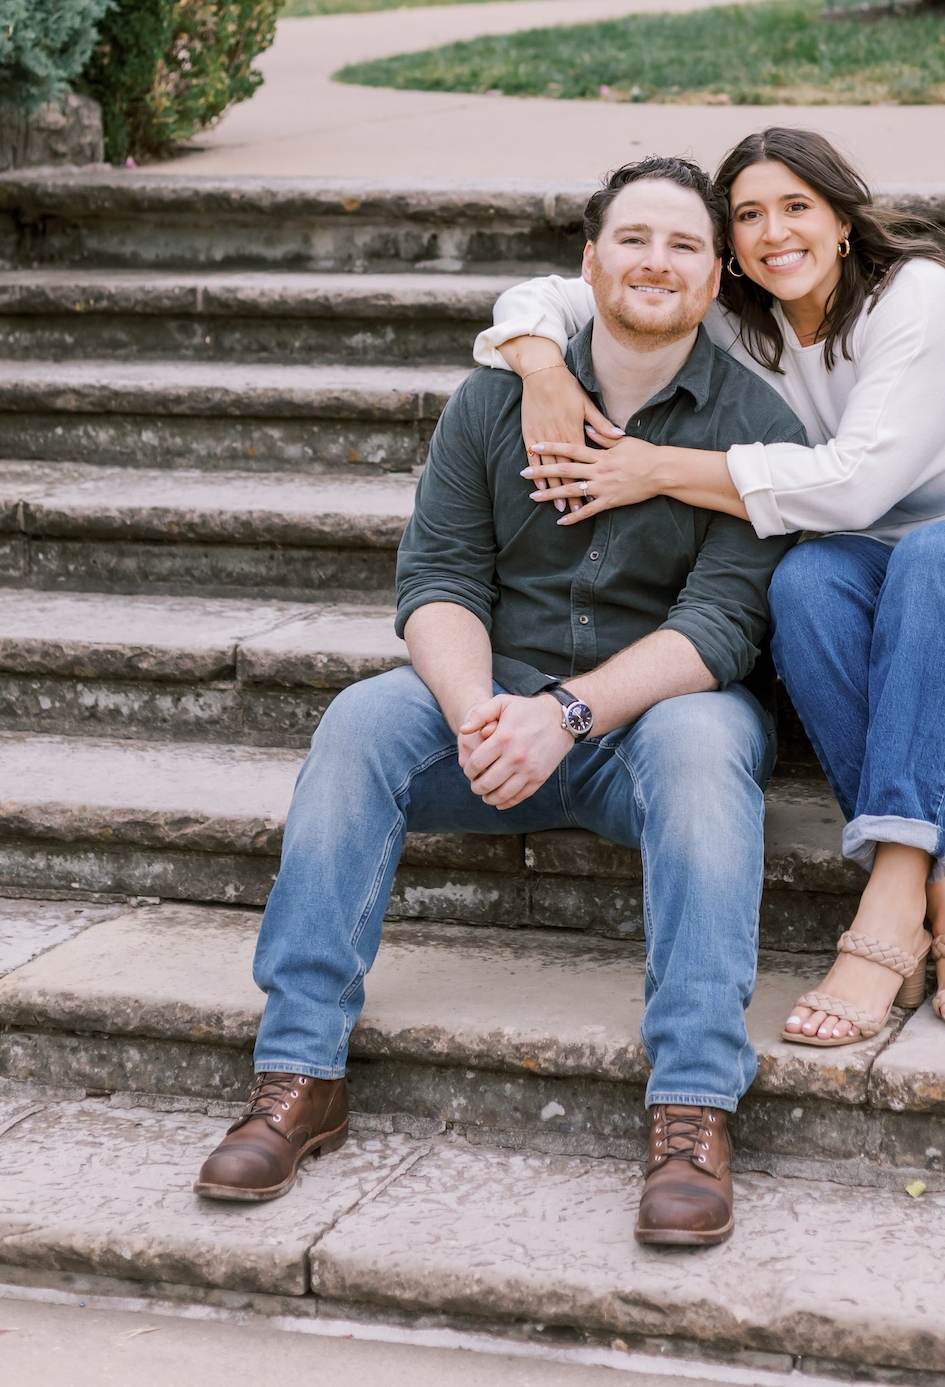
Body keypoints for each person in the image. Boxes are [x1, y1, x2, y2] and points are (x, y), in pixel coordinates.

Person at [194, 156, 806, 1247]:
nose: (654, 262)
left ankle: (694, 1107)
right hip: (493, 714)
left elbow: (721, 627)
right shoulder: (490, 400)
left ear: (716, 280)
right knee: (361, 719)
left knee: (712, 740)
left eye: (682, 246)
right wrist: (482, 712)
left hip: (644, 734)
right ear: (588, 261)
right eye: (632, 238)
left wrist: (563, 716)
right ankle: (298, 1074)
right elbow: (436, 580)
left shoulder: (757, 430)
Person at [476, 126, 945, 1048]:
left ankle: (890, 909)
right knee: (808, 579)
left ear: (843, 220)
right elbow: (553, 295)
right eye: (747, 216)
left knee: (931, 559)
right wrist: (538, 365)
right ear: (730, 242)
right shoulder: (746, 313)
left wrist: (655, 469)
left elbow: (856, 485)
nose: (775, 233)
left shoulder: (916, 299)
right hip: (882, 576)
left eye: (796, 208)